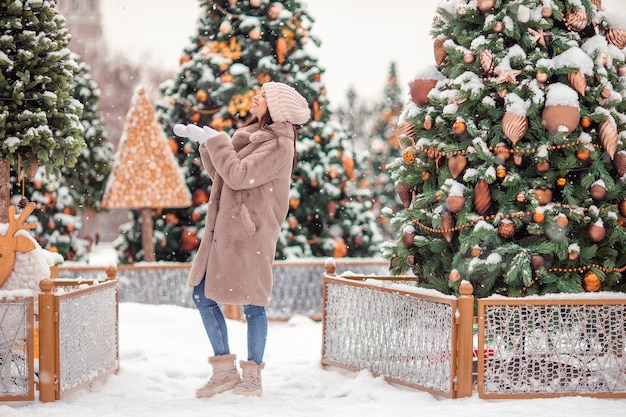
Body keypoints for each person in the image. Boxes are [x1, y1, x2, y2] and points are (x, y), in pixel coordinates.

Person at [173, 82, 310, 398]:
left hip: (253, 235)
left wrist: (217, 141)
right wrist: (208, 144)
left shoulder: (279, 145)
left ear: (275, 107)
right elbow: (224, 175)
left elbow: (238, 176)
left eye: (261, 95)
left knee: (253, 303)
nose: (254, 97)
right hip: (228, 232)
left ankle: (252, 377)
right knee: (201, 294)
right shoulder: (253, 137)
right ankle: (224, 371)